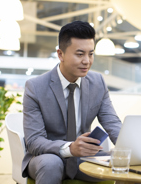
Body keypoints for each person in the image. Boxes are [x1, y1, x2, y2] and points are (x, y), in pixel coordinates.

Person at [21, 21, 122, 184]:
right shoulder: (35, 87)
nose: (87, 61)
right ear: (60, 54)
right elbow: (34, 141)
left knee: (126, 162)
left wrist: (133, 149)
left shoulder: (98, 82)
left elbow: (112, 123)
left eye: (90, 54)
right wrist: (69, 148)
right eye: (80, 54)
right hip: (48, 157)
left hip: (84, 158)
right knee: (51, 164)